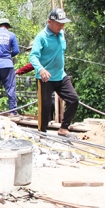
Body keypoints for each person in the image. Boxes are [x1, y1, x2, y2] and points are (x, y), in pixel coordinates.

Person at [30, 8, 79, 137]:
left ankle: (64, 128)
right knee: (45, 107)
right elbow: (33, 56)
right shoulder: (41, 37)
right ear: (49, 22)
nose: (61, 26)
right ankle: (42, 133)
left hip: (60, 75)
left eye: (63, 23)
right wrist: (41, 69)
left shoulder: (61, 34)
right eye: (59, 23)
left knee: (73, 99)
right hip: (45, 78)